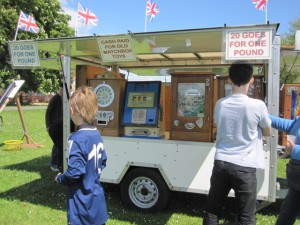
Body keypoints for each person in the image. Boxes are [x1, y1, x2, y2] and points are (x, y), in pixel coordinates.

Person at [203, 62, 272, 225]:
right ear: (252, 80)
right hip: (245, 167)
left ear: (229, 80)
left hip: (221, 163)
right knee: (246, 217)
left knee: (212, 212)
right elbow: (268, 131)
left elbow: (220, 126)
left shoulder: (221, 104)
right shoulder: (258, 105)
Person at [55, 86, 108, 225]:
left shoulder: (76, 139)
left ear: (72, 110)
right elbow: (103, 161)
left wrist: (60, 178)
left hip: (81, 208)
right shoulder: (97, 134)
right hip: (97, 204)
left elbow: (74, 172)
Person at [269, 115, 300, 225]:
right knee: (287, 214)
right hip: (295, 174)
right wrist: (264, 115)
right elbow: (292, 126)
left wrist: (295, 150)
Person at [45, 83, 63, 172]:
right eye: (62, 89)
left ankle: (59, 163)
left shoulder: (67, 98)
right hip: (54, 125)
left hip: (62, 125)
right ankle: (54, 164)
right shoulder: (55, 98)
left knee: (61, 145)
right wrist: (48, 125)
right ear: (60, 89)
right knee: (57, 145)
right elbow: (48, 112)